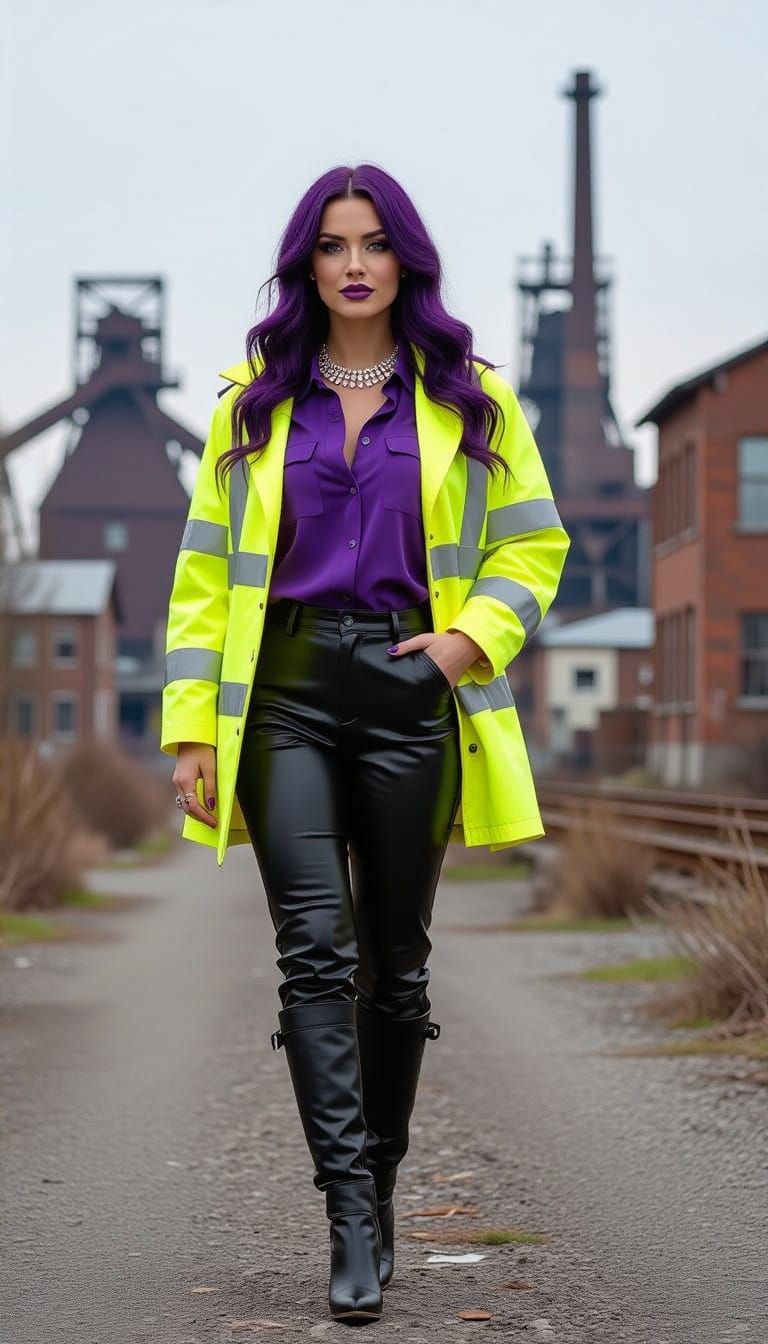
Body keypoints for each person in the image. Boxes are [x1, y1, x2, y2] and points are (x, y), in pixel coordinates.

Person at [160, 162, 570, 1324]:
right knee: (313, 955)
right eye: (332, 244)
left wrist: (460, 647)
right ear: (306, 265)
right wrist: (194, 730)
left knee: (398, 969)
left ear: (405, 261)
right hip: (282, 694)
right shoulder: (251, 401)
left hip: (406, 694)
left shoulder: (471, 396)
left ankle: (382, 1187)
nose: (352, 263)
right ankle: (345, 1209)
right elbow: (201, 576)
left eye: (373, 243)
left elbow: (534, 551)